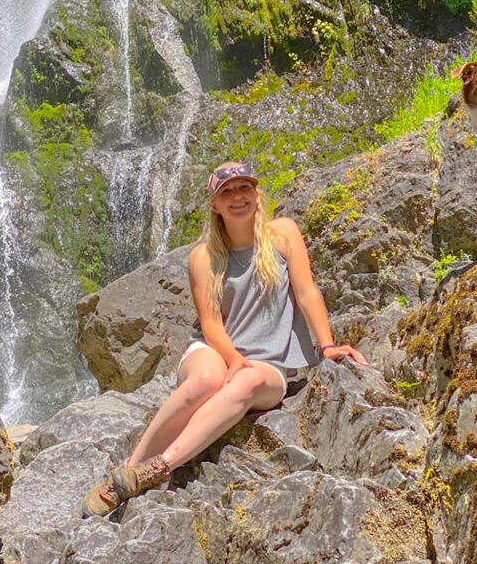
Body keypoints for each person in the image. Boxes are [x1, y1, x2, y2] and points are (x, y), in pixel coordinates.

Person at [81, 160, 368, 517]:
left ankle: (158, 468)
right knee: (206, 380)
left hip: (272, 363)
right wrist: (232, 358)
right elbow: (211, 322)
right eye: (226, 191)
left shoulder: (283, 234)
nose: (237, 197)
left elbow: (307, 292)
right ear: (215, 204)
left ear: (256, 193)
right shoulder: (203, 256)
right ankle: (125, 474)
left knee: (246, 381)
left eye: (244, 187)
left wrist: (327, 345)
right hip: (215, 349)